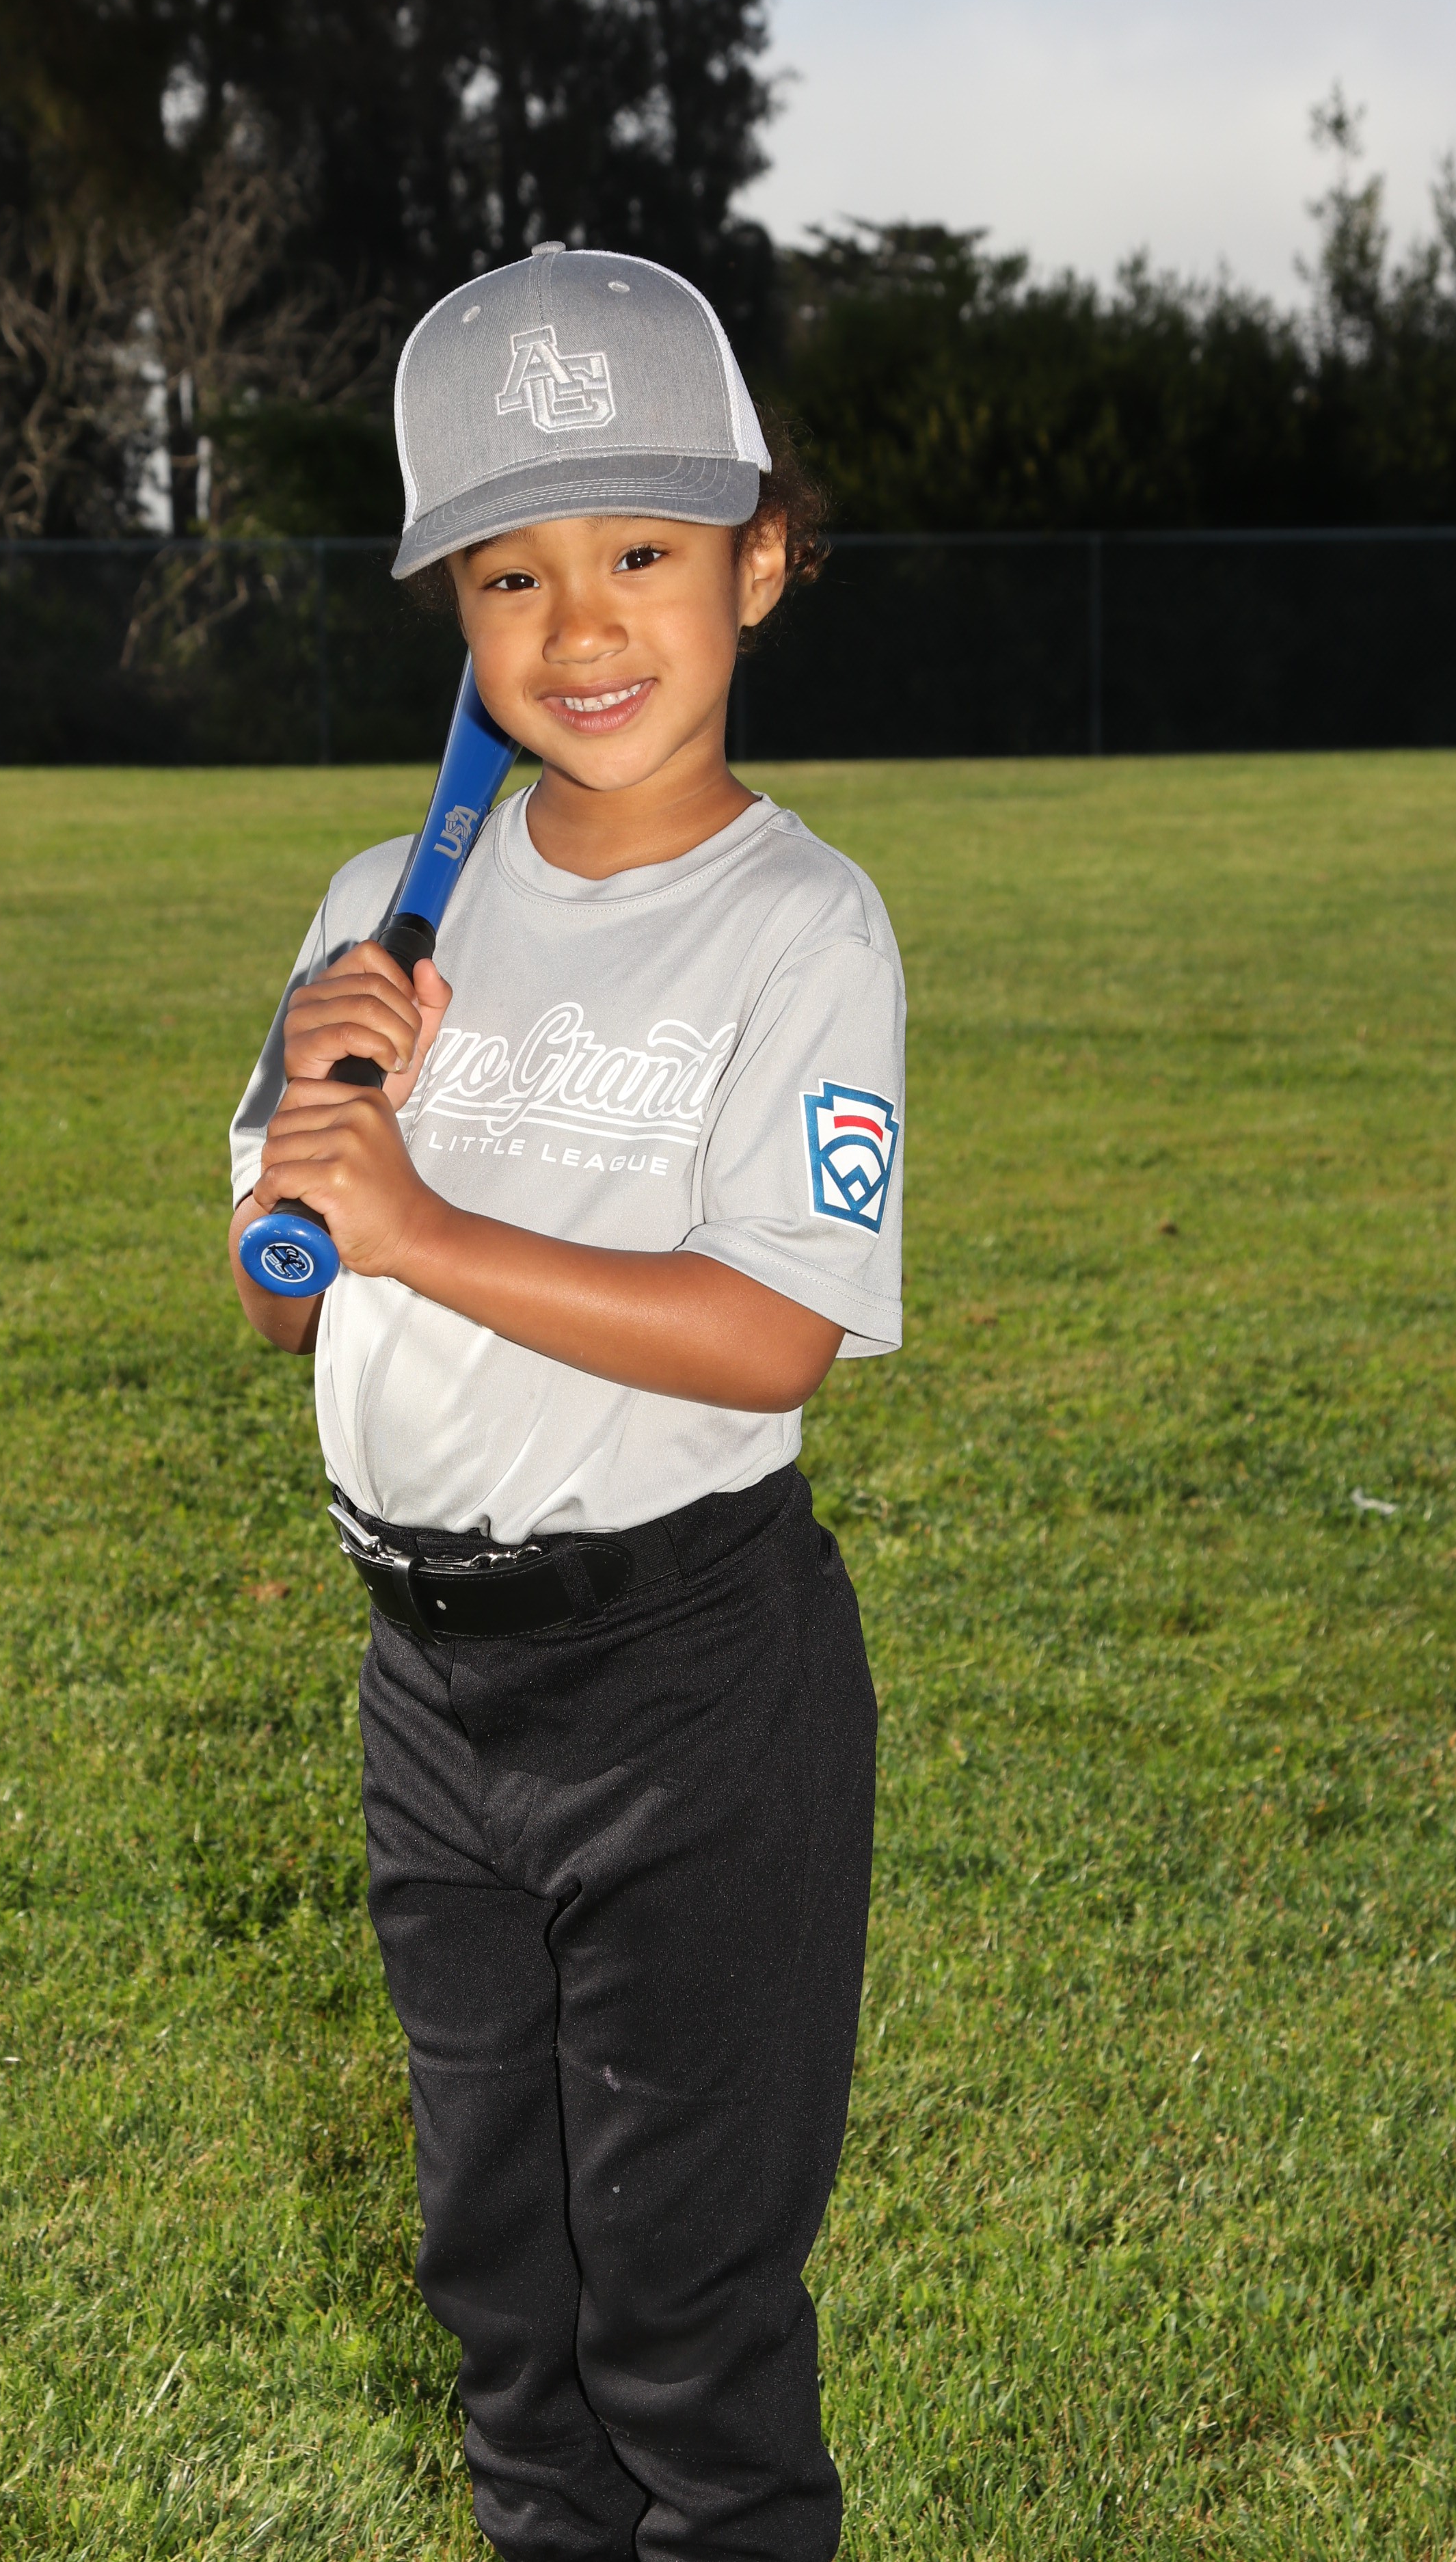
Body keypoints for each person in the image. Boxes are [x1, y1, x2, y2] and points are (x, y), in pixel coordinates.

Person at [228, 243, 904, 2562]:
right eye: (514, 573)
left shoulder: (800, 924)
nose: (582, 626)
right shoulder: (383, 906)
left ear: (760, 564)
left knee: (680, 2317)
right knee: (507, 2301)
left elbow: (774, 1333)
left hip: (688, 1690)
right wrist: (320, 1116)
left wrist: (421, 1226)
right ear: (458, 613)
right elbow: (281, 1298)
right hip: (433, 1696)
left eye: (643, 553)